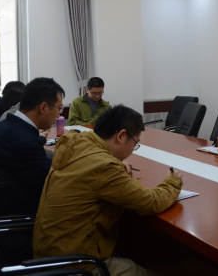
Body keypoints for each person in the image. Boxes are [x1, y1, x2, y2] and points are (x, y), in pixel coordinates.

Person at [33, 104, 183, 276]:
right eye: (135, 143)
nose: (133, 149)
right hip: (79, 264)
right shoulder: (104, 166)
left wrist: (115, 163)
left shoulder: (77, 144)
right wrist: (173, 182)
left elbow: (91, 169)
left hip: (48, 253)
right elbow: (151, 202)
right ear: (121, 136)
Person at [0, 77, 65, 214]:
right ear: (43, 107)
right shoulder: (23, 141)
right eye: (59, 108)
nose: (59, 114)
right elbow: (53, 182)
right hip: (17, 210)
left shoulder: (2, 127)